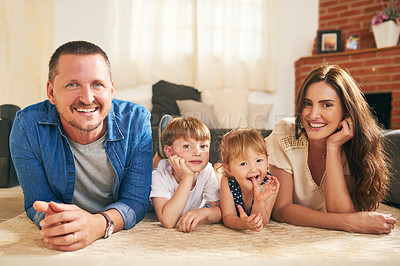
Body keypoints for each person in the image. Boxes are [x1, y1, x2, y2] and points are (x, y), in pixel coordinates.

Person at [9, 40, 153, 251]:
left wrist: (98, 225)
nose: (87, 98)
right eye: (72, 84)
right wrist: (60, 223)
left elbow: (134, 201)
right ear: (51, 93)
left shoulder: (137, 121)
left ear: (111, 90)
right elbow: (37, 201)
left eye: (97, 84)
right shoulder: (26, 126)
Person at [266, 64, 396, 234]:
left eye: (326, 105)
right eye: (307, 103)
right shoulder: (286, 134)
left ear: (347, 111)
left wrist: (333, 147)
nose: (313, 114)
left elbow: (339, 212)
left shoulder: (354, 146)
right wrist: (351, 222)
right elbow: (281, 209)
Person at [150, 116, 221, 232]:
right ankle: (160, 152)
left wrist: (205, 212)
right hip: (153, 204)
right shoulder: (159, 175)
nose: (197, 152)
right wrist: (187, 178)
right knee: (149, 172)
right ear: (170, 151)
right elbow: (168, 221)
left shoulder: (206, 170)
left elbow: (220, 211)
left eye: (203, 146)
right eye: (187, 146)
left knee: (219, 171)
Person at [219, 128, 280, 231]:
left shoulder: (270, 185)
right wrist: (242, 224)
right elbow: (228, 216)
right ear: (229, 169)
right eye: (243, 164)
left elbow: (263, 221)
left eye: (259, 160)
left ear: (267, 161)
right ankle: (217, 169)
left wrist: (259, 201)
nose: (253, 169)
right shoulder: (227, 181)